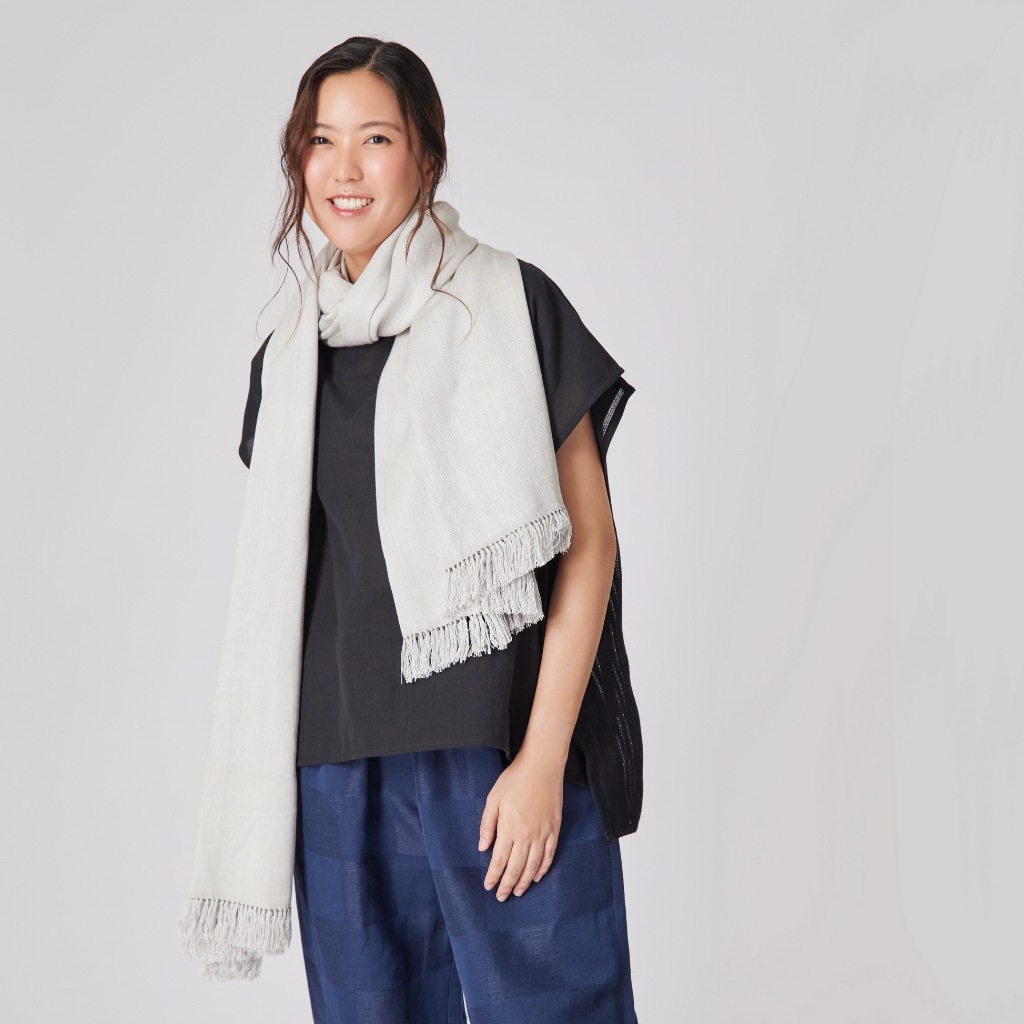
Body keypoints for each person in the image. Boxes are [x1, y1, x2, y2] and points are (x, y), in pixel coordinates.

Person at [180, 36, 643, 1024]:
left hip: (496, 753)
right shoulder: (287, 359)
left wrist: (542, 761)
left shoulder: (508, 305)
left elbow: (589, 545)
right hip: (339, 773)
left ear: (425, 156)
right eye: (321, 140)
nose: (344, 168)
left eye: (376, 138)